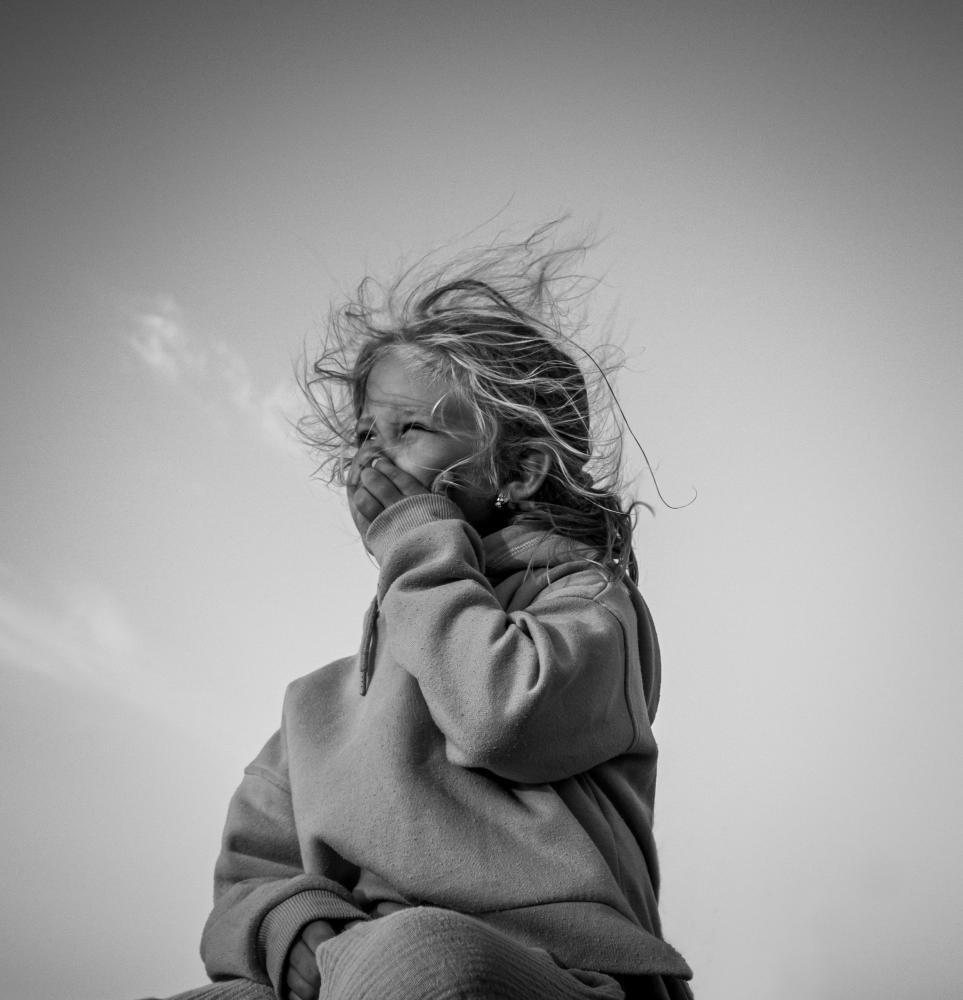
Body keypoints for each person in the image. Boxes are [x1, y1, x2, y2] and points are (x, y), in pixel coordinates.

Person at [163, 228, 694, 1000]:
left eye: (408, 428)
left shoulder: (586, 609)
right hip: (352, 967)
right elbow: (248, 877)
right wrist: (290, 927)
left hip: (557, 974)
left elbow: (501, 718)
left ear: (518, 470)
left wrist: (415, 545)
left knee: (421, 957)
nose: (371, 457)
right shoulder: (318, 705)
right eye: (363, 435)